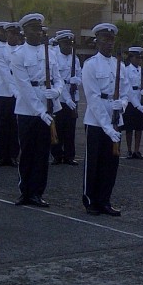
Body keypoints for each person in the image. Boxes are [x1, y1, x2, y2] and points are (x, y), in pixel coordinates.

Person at [10, 13, 62, 208]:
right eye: (33, 29)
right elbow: (24, 87)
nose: (37, 32)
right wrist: (41, 112)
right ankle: (25, 192)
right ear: (25, 31)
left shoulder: (50, 53)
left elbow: (58, 79)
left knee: (42, 154)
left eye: (39, 29)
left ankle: (37, 193)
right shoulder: (19, 54)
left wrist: (56, 91)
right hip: (27, 110)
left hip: (48, 105)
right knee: (27, 152)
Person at [81, 23, 125, 216]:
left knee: (111, 164)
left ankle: (105, 200)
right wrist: (107, 127)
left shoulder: (119, 64)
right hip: (96, 121)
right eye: (105, 39)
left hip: (115, 118)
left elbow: (125, 91)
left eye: (111, 39)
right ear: (97, 41)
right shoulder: (90, 65)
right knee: (94, 163)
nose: (109, 43)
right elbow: (93, 98)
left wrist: (122, 104)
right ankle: (91, 200)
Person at [0, 21, 21, 167]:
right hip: (4, 92)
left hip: (19, 93)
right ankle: (3, 156)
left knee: (15, 126)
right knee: (3, 125)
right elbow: (5, 73)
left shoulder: (22, 51)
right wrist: (14, 90)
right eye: (10, 34)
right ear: (6, 34)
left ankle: (13, 155)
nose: (13, 37)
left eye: (16, 34)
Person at [51, 30, 81, 166]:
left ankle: (69, 155)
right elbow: (57, 81)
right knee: (58, 127)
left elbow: (79, 74)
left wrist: (77, 80)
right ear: (60, 44)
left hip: (73, 96)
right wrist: (67, 98)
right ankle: (57, 155)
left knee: (70, 128)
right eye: (66, 44)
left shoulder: (75, 58)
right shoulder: (55, 57)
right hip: (60, 97)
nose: (69, 46)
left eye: (70, 43)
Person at [122, 46, 143, 159]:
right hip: (130, 101)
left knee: (139, 127)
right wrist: (136, 103)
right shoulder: (126, 70)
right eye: (136, 57)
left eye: (140, 57)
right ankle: (129, 150)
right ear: (131, 58)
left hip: (141, 98)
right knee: (129, 127)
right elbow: (127, 88)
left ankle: (137, 150)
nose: (138, 59)